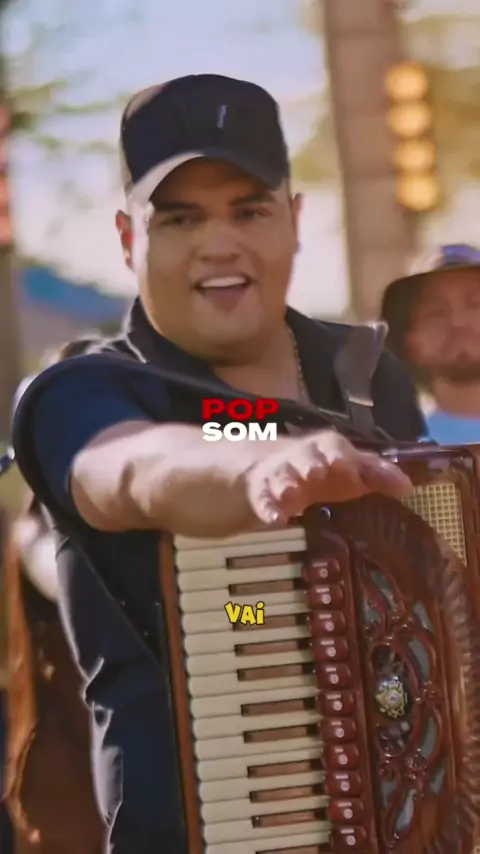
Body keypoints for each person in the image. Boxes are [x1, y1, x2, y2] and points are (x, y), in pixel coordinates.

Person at [11, 74, 426, 854]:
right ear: (129, 239)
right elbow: (134, 470)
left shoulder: (372, 378)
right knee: (244, 611)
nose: (219, 242)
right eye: (180, 218)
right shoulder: (84, 393)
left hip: (407, 826)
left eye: (249, 210)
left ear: (294, 221)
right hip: (195, 835)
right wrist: (254, 468)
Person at [4, 338, 105, 854]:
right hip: (74, 788)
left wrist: (256, 612)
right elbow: (80, 590)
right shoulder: (35, 537)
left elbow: (229, 612)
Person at [380, 243, 480, 444]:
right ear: (410, 340)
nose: (458, 321)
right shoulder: (393, 445)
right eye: (436, 312)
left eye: (475, 304)